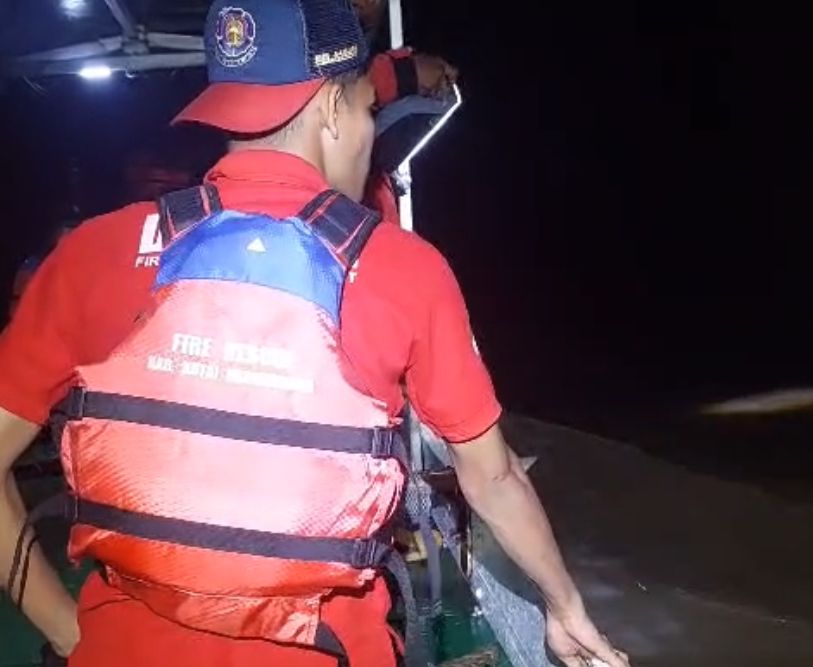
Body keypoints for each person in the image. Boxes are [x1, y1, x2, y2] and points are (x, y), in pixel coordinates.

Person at [0, 1, 630, 667]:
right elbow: (494, 479)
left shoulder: (92, 253)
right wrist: (565, 607)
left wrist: (69, 629)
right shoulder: (404, 269)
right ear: (333, 109)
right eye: (365, 111)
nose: (367, 135)